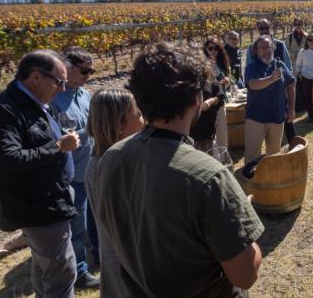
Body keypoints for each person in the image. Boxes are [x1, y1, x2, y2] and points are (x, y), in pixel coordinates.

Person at [91, 42, 264, 297]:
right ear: (196, 99)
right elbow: (245, 274)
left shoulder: (110, 159)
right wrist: (240, 216)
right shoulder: (208, 177)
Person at [0, 50, 80, 297]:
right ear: (35, 77)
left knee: (45, 267)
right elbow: (8, 161)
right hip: (38, 207)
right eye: (59, 81)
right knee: (62, 272)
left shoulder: (35, 104)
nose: (63, 87)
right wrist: (58, 146)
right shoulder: (3, 111)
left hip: (49, 200)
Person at [85, 88, 144, 297]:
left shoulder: (99, 160)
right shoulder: (116, 167)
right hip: (130, 271)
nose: (143, 120)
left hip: (118, 263)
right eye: (138, 114)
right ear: (119, 124)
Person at [50, 47, 100, 289]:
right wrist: (86, 131)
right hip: (72, 176)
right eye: (85, 70)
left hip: (92, 169)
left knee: (96, 221)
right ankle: (79, 273)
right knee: (77, 229)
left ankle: (99, 258)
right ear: (66, 67)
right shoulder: (52, 100)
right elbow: (55, 140)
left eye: (91, 71)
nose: (88, 75)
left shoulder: (84, 94)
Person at [244, 36, 296, 162]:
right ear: (256, 51)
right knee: (253, 154)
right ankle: (251, 179)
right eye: (262, 47)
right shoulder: (252, 67)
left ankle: (271, 179)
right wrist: (271, 79)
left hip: (277, 117)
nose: (267, 50)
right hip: (257, 118)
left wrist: (292, 109)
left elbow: (290, 85)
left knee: (274, 154)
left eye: (269, 46)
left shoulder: (280, 64)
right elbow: (253, 84)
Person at [247, 19, 295, 141]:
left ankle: (292, 142)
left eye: (266, 28)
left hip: (280, 88)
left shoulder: (279, 45)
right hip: (260, 96)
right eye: (261, 28)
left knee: (284, 116)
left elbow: (288, 67)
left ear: (270, 28)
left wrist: (285, 85)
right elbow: (250, 75)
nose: (264, 30)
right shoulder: (252, 47)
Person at [190, 38, 230, 152]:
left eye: (216, 48)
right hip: (204, 107)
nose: (213, 51)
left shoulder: (221, 64)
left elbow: (223, 86)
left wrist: (227, 82)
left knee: (221, 133)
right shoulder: (202, 66)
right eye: (210, 48)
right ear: (205, 50)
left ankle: (222, 156)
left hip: (219, 101)